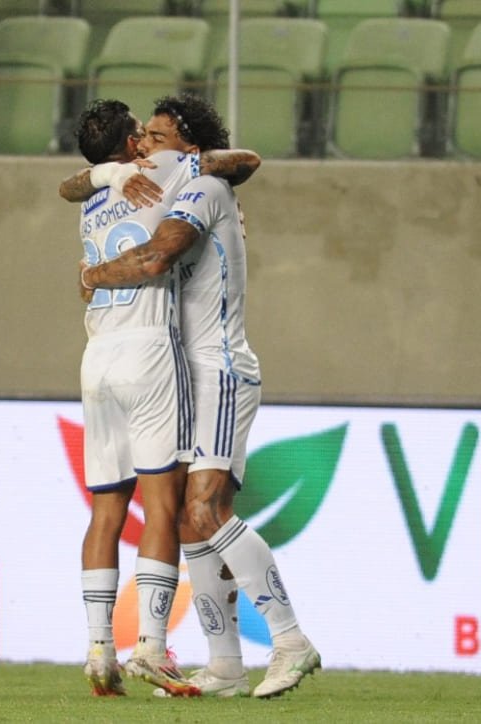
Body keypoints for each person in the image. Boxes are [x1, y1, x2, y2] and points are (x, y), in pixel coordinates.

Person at [79, 93, 321, 700]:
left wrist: (91, 275)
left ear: (189, 146)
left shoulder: (204, 186)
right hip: (184, 374)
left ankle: (291, 641)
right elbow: (77, 183)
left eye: (156, 137)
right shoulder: (176, 181)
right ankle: (225, 665)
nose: (145, 147)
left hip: (219, 369)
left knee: (207, 514)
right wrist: (109, 174)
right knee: (190, 524)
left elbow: (160, 253)